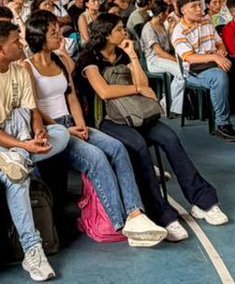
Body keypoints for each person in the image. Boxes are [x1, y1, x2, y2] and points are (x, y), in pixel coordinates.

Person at [74, 13, 226, 242]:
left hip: (136, 114)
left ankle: (203, 202)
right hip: (107, 120)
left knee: (170, 138)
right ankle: (162, 214)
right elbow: (104, 91)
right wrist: (136, 89)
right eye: (119, 29)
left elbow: (144, 82)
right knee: (138, 146)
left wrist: (133, 56)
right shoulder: (89, 58)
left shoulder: (122, 53)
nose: (124, 32)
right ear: (105, 34)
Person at [24, 11, 166, 247]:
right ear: (39, 38)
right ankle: (119, 221)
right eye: (53, 33)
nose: (59, 35)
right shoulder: (27, 67)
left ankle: (135, 214)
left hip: (72, 122)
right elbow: (34, 108)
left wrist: (80, 124)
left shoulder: (60, 61)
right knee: (96, 158)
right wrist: (64, 130)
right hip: (53, 129)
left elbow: (71, 97)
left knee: (117, 148)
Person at [0, 19, 70, 282]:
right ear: (0, 48)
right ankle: (32, 250)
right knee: (17, 178)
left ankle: (18, 158)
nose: (22, 44)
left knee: (62, 134)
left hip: (16, 136)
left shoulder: (19, 70)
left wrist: (38, 131)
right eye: (16, 41)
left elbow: (31, 111)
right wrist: (24, 145)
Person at [170, 0, 235, 142]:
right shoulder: (179, 31)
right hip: (194, 71)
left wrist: (220, 50)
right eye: (194, 6)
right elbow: (190, 58)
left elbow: (219, 42)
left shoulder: (206, 22)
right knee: (219, 77)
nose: (199, 9)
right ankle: (222, 124)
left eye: (199, 5)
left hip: (215, 62)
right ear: (183, 10)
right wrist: (214, 57)